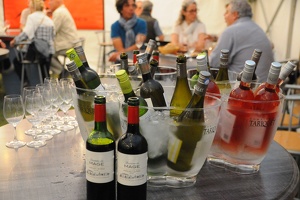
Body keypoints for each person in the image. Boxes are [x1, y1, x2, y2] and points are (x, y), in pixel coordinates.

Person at [209, 0, 274, 83]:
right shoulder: (259, 29)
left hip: (242, 89)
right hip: (265, 88)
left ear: (235, 14)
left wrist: (210, 52)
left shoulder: (230, 31)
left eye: (227, 12)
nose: (224, 15)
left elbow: (214, 63)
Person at [10, 0, 55, 84]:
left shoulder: (32, 17)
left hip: (37, 53)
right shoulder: (48, 19)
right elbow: (53, 35)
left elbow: (26, 33)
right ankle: (47, 90)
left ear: (33, 7)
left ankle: (26, 82)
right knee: (45, 73)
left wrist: (15, 40)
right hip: (48, 52)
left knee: (17, 61)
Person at [48, 0, 79, 77]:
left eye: (51, 1)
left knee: (44, 52)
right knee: (47, 51)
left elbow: (52, 31)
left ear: (57, 2)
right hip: (72, 43)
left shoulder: (58, 12)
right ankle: (61, 71)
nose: (49, 3)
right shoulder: (62, 10)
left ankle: (61, 71)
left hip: (66, 45)